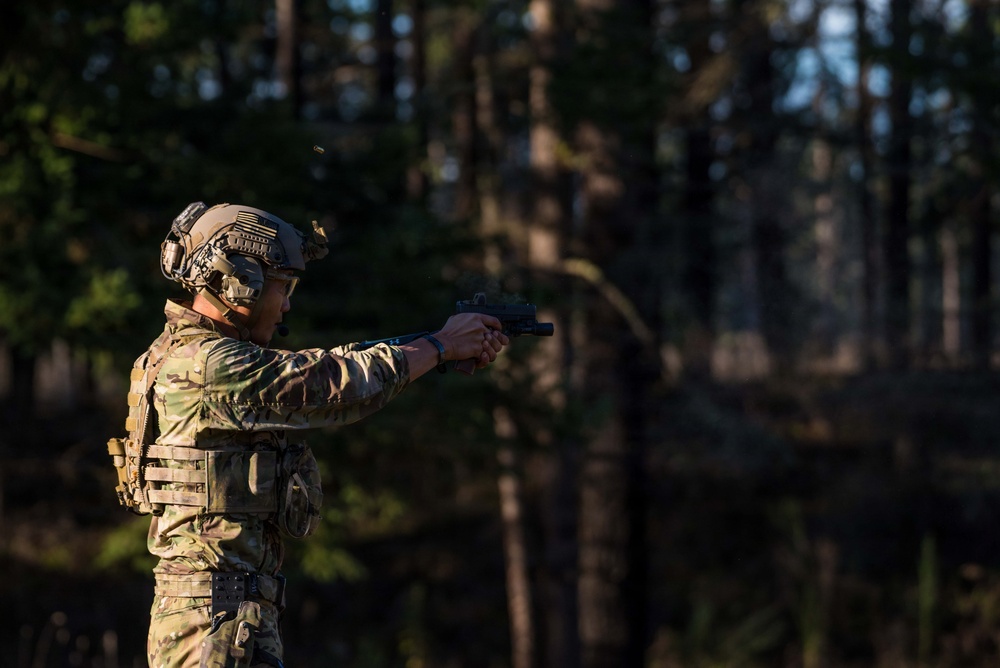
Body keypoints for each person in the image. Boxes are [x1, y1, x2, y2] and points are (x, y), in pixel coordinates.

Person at [108, 202, 508, 668]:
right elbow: (332, 384)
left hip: (226, 616)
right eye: (284, 287)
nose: (288, 305)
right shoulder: (208, 366)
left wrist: (438, 342)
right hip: (209, 626)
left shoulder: (187, 354)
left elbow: (329, 364)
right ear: (241, 281)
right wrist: (440, 347)